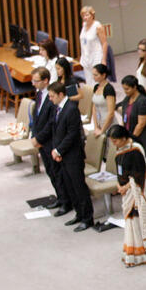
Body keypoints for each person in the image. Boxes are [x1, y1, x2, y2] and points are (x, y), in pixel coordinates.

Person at [48, 82, 93, 231]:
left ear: (61, 94)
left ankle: (87, 218)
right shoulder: (58, 108)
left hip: (73, 155)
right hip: (63, 154)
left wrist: (59, 150)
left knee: (79, 187)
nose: (50, 99)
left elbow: (72, 134)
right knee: (70, 186)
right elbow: (56, 131)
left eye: (52, 96)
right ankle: (79, 213)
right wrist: (56, 150)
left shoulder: (71, 109)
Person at [109, 125, 146, 266]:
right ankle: (131, 253)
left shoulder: (135, 150)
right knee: (129, 224)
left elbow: (139, 175)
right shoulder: (120, 149)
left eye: (115, 141)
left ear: (124, 138)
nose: (114, 144)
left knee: (136, 221)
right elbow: (119, 171)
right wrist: (119, 185)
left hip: (136, 193)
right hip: (126, 192)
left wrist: (126, 187)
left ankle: (142, 255)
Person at [30, 67, 65, 208]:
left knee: (57, 172)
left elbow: (51, 122)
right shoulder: (39, 94)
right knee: (50, 172)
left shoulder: (52, 97)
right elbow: (36, 117)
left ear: (45, 80)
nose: (33, 83)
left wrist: (39, 138)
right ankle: (59, 197)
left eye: (36, 81)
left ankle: (65, 201)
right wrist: (34, 136)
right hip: (41, 141)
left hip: (50, 140)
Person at [119, 76, 146, 175]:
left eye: (127, 89)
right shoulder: (127, 99)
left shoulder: (142, 101)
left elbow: (141, 124)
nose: (125, 91)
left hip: (144, 138)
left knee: (144, 166)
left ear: (135, 87)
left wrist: (131, 139)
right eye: (124, 89)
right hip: (131, 135)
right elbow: (124, 118)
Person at [78, 5, 108, 85]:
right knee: (88, 82)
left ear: (92, 15)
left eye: (87, 15)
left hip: (96, 57)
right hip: (86, 57)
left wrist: (103, 60)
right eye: (83, 16)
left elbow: (104, 43)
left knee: (96, 82)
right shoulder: (84, 25)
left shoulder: (98, 26)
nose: (85, 17)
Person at [89, 64, 117, 137]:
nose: (93, 77)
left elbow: (111, 113)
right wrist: (96, 126)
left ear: (103, 75)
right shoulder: (96, 87)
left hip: (109, 124)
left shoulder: (108, 89)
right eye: (93, 74)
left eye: (96, 75)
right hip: (100, 122)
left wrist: (102, 130)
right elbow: (94, 108)